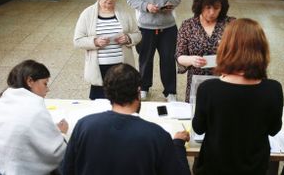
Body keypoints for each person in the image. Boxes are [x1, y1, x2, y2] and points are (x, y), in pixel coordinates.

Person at [60, 63, 191, 175]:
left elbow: (66, 170)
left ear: (107, 92)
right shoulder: (157, 135)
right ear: (138, 92)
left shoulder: (84, 125)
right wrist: (178, 144)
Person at [192, 18, 284, 175]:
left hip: (214, 167)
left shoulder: (208, 89)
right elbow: (274, 130)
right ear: (261, 49)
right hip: (254, 167)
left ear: (226, 48)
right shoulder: (273, 89)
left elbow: (198, 129)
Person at [0, 60, 67, 175]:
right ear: (30, 81)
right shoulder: (35, 110)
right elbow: (56, 153)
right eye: (45, 83)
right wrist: (61, 134)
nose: (47, 89)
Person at [126, 0, 181, 102]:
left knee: (168, 59)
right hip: (146, 25)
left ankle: (170, 91)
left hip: (168, 25)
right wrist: (146, 6)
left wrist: (171, 3)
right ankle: (143, 87)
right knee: (145, 59)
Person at [74, 0, 141, 100]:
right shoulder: (87, 14)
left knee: (121, 102)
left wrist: (128, 38)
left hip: (121, 68)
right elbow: (77, 40)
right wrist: (94, 41)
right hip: (100, 68)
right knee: (99, 104)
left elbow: (137, 34)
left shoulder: (124, 13)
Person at [176, 0, 234, 102]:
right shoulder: (188, 26)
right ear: (200, 5)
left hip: (225, 81)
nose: (212, 12)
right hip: (197, 83)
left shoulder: (231, 24)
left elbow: (243, 53)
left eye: (216, 8)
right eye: (208, 7)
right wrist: (192, 60)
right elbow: (179, 56)